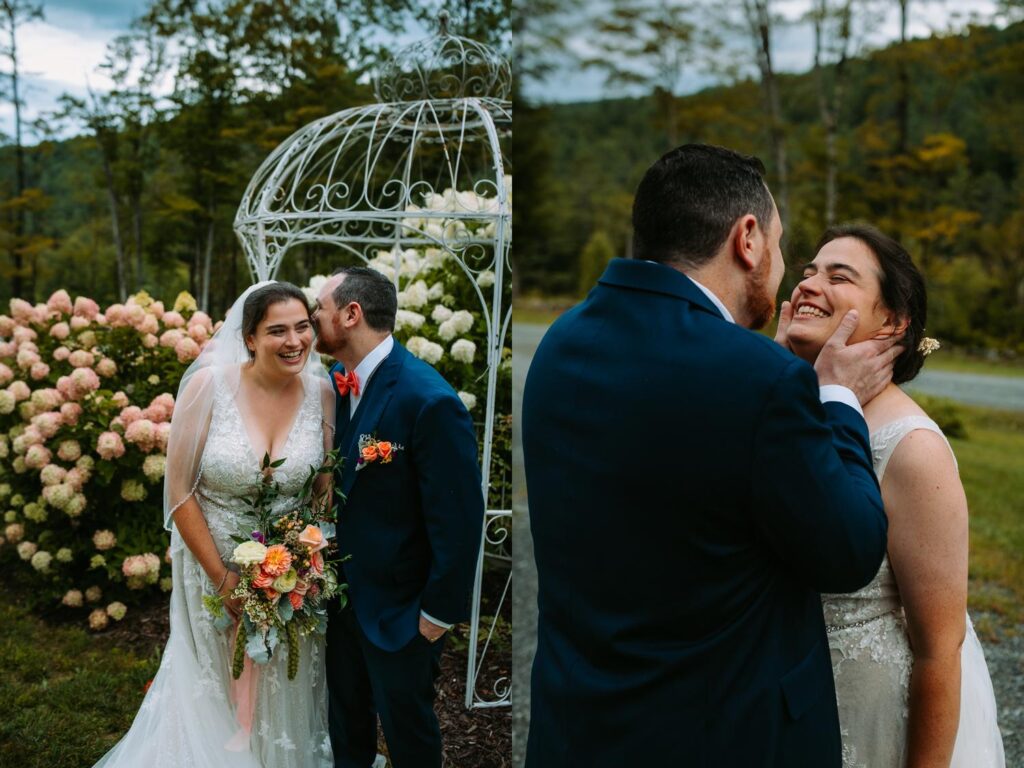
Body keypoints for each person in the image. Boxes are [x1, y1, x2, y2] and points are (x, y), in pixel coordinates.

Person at [521, 144, 899, 767]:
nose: (785, 269)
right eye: (781, 244)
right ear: (747, 239)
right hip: (717, 740)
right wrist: (837, 397)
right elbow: (849, 550)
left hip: (578, 730)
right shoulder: (763, 379)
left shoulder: (562, 344)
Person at [776, 224, 1005, 768]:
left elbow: (940, 649)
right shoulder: (788, 410)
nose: (809, 284)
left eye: (839, 277)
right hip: (786, 712)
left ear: (893, 322)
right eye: (808, 271)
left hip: (871, 724)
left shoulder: (912, 448)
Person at [93, 281, 337, 768]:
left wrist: (303, 561)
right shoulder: (208, 388)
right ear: (249, 338)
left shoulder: (323, 393)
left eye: (302, 327)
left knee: (279, 682)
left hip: (289, 577)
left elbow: (323, 491)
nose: (294, 341)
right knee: (215, 682)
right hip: (212, 564)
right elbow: (180, 491)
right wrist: (224, 579)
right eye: (277, 331)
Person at [313, 266, 484, 768]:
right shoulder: (332, 385)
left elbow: (458, 519)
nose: (312, 317)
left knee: (410, 737)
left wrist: (435, 616)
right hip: (339, 603)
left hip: (401, 614)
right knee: (346, 730)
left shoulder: (428, 400)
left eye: (319, 308)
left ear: (351, 314)